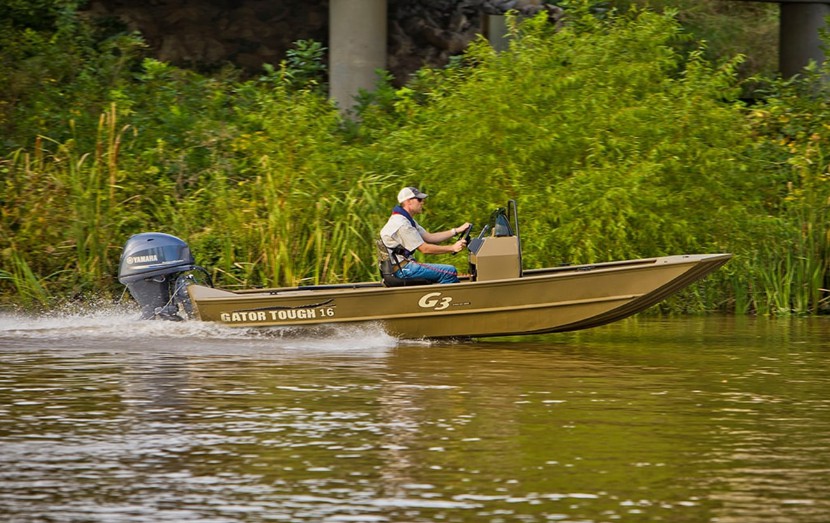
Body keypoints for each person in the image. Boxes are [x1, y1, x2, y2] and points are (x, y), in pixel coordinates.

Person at [380, 186, 471, 284]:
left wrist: (457, 230)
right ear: (408, 202)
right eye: (419, 199)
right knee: (449, 272)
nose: (422, 202)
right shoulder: (401, 224)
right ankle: (445, 298)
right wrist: (452, 248)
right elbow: (424, 249)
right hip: (403, 270)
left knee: (447, 271)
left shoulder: (407, 220)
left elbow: (430, 237)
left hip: (405, 266)